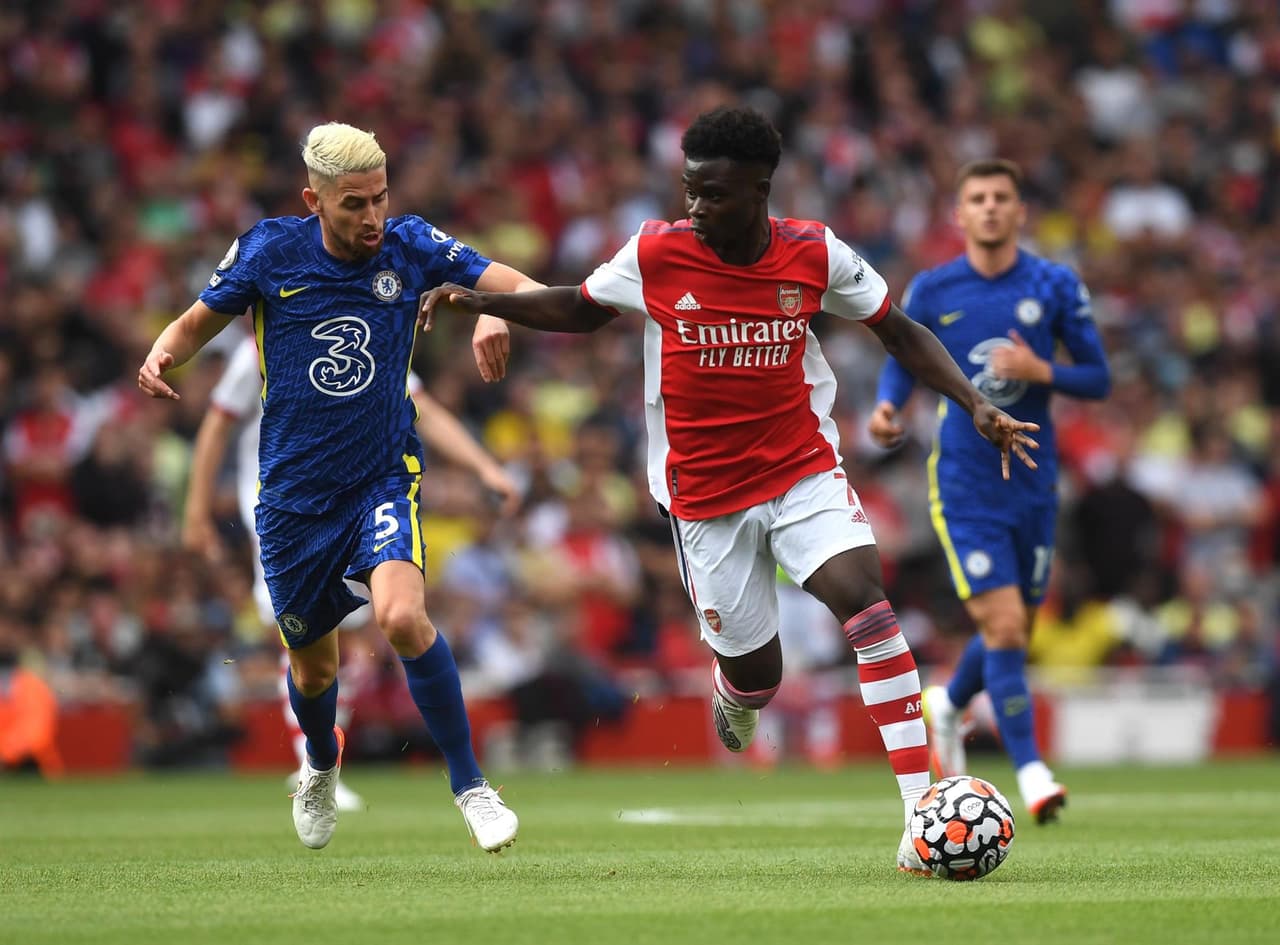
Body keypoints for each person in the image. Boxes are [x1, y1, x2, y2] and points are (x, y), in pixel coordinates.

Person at [420, 106, 1040, 874]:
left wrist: (973, 401)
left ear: (759, 190)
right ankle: (735, 691)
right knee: (759, 676)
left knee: (867, 603)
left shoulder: (815, 254)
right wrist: (486, 300)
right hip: (705, 499)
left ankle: (920, 809)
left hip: (800, 469)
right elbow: (580, 309)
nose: (695, 207)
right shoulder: (656, 252)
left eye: (712, 194)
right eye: (689, 191)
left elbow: (900, 330)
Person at [138, 121, 540, 852]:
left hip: (382, 476)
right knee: (314, 665)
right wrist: (162, 354)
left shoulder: (411, 244)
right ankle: (320, 764)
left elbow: (520, 283)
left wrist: (493, 310)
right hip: (292, 501)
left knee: (401, 617)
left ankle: (472, 786)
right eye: (354, 203)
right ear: (314, 200)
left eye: (381, 198)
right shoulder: (269, 250)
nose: (373, 217)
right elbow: (196, 323)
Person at [868, 158, 1111, 824]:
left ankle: (946, 704)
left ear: (1020, 209)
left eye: (1002, 196)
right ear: (960, 212)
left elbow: (1098, 377)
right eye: (977, 198)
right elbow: (903, 359)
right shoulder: (933, 287)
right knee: (1004, 625)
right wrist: (889, 408)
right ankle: (1031, 770)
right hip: (965, 484)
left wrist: (1040, 369)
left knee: (1014, 627)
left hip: (1034, 481)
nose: (991, 207)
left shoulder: (1054, 285)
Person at [183, 333, 521, 810]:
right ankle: (314, 763)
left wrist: (484, 467)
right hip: (285, 513)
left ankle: (325, 762)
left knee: (370, 634)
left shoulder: (371, 327)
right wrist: (196, 511)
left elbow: (421, 405)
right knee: (306, 644)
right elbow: (219, 424)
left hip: (362, 503)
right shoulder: (259, 349)